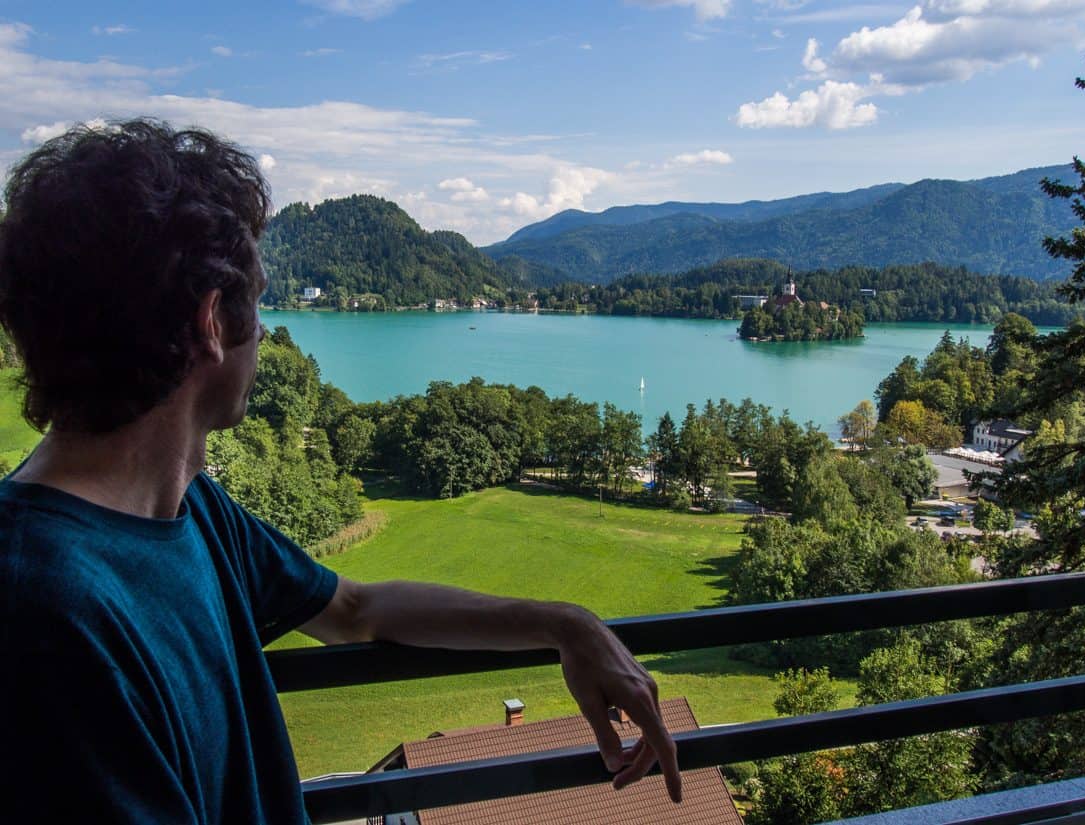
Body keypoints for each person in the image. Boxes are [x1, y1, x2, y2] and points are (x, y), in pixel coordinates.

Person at [0, 119, 680, 822]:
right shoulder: (43, 612)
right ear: (210, 322)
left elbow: (356, 611)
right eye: (258, 299)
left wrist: (565, 625)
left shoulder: (189, 509)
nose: (263, 330)